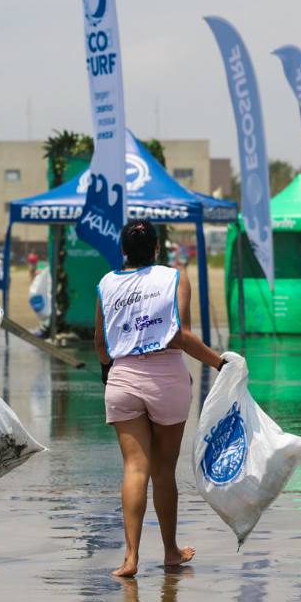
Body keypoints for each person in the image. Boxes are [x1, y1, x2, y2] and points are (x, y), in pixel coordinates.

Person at [94, 219, 226, 577]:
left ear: (123, 250)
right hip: (167, 379)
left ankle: (131, 558)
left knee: (135, 469)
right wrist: (220, 363)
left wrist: (110, 371)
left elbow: (101, 344)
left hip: (122, 379)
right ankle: (170, 551)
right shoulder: (175, 276)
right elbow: (181, 336)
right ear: (157, 248)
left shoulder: (107, 283)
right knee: (163, 472)